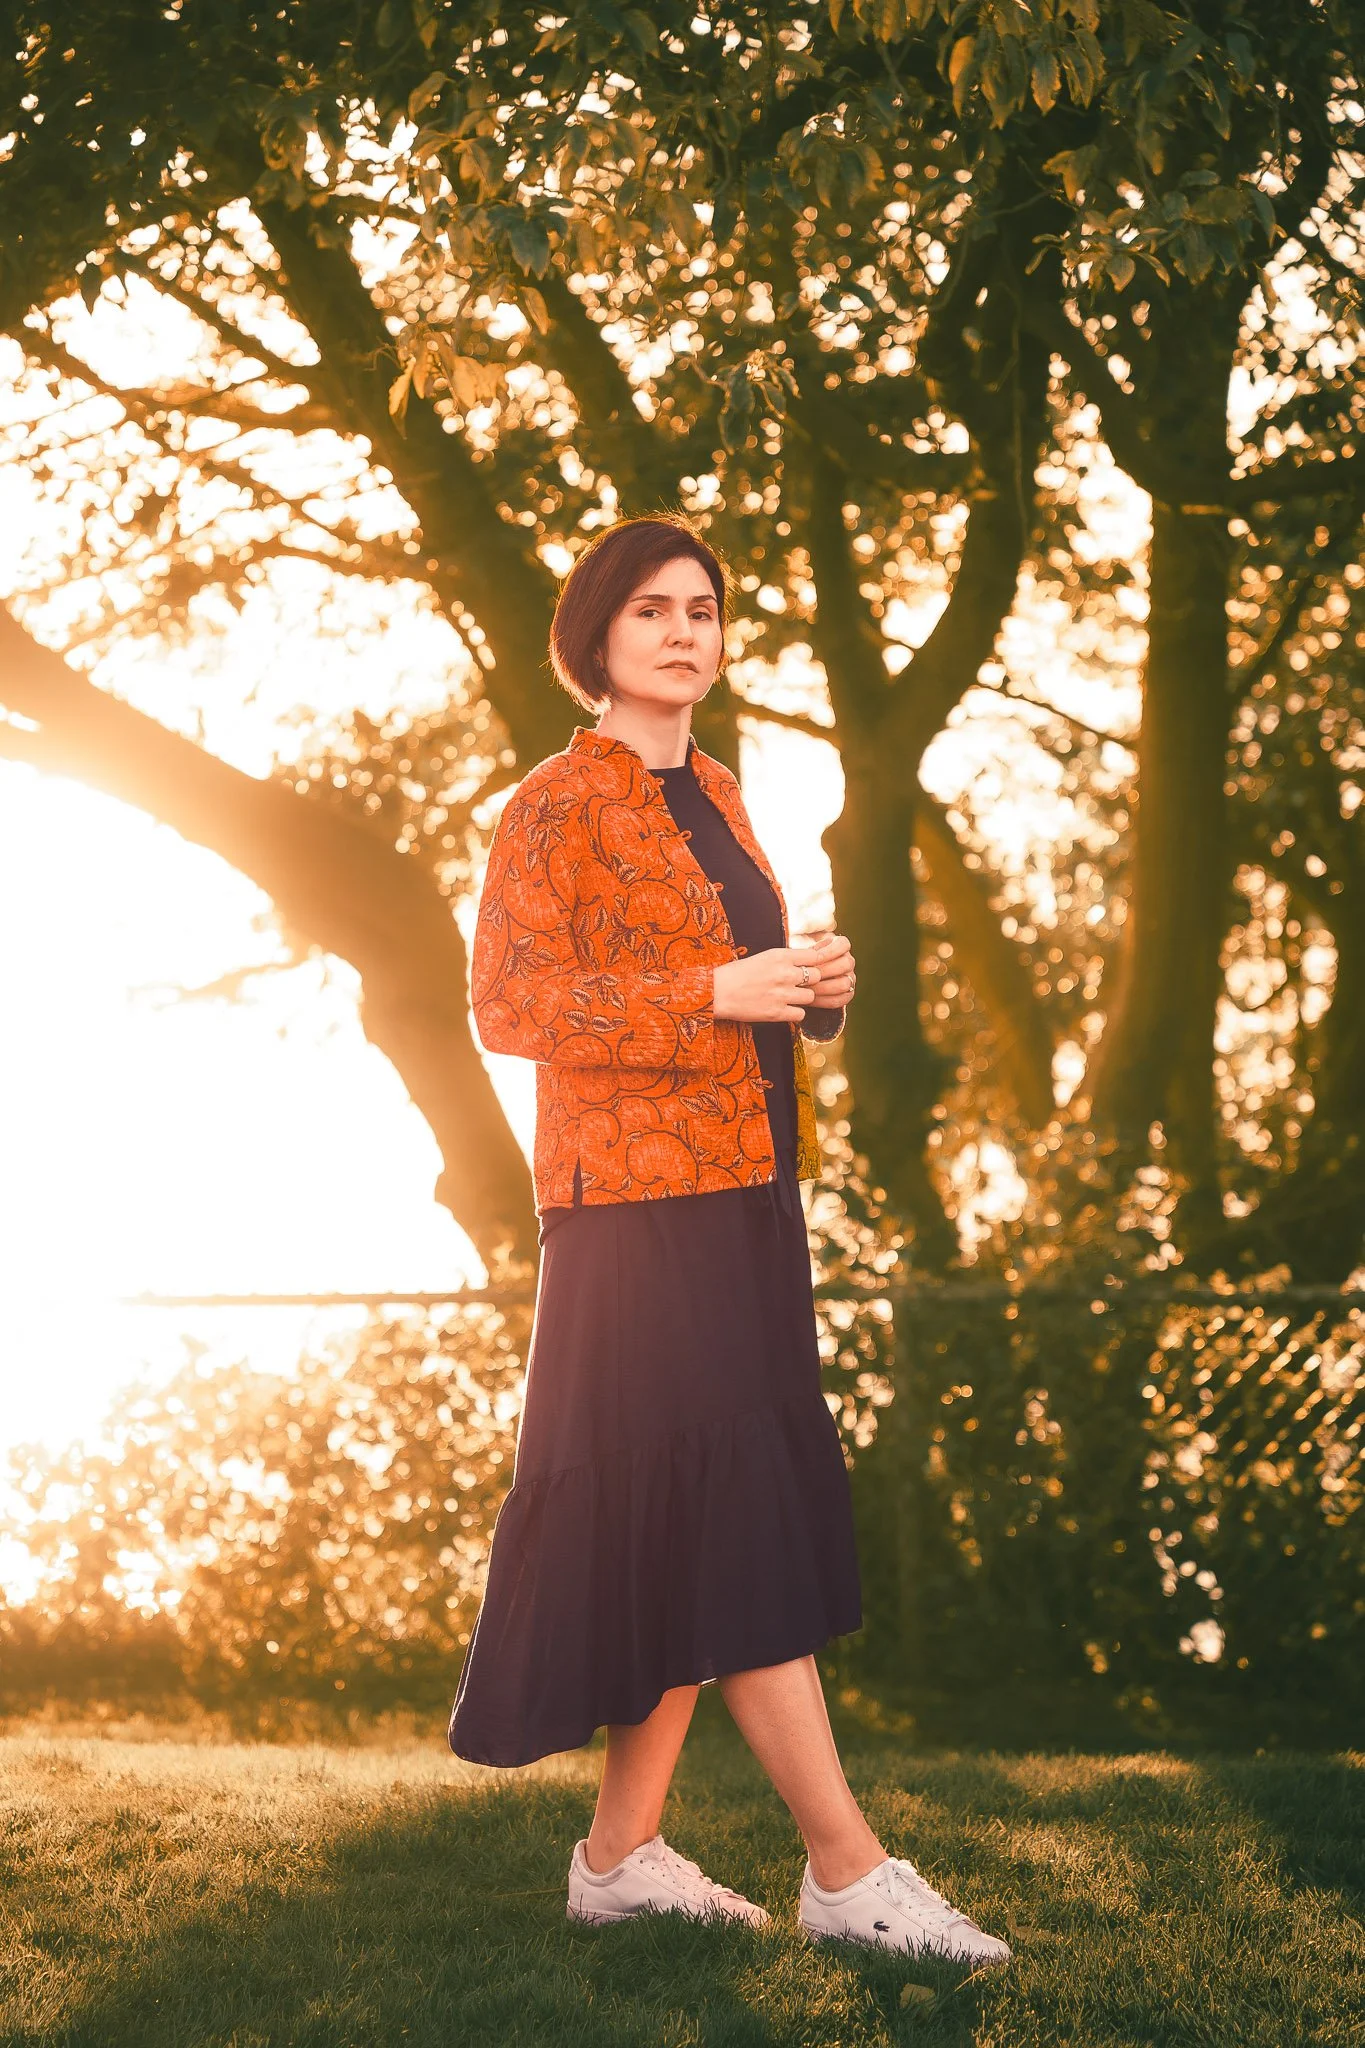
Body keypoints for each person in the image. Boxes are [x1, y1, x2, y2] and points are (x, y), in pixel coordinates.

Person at [447, 515, 1009, 1966]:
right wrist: (715, 989)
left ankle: (618, 1859)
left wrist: (813, 988)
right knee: (731, 1518)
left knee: (699, 1516)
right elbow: (509, 1009)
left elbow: (741, 985)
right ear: (597, 638)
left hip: (747, 1197)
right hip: (632, 1219)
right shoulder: (553, 806)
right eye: (653, 611)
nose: (685, 630)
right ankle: (847, 1869)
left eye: (703, 608)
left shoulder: (725, 791)